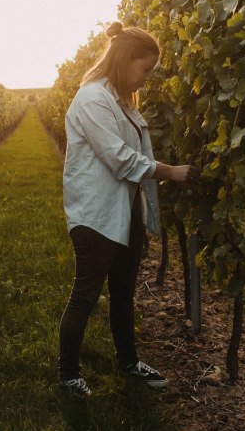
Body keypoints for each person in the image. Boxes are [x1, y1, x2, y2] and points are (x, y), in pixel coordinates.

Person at [57, 21, 199, 397]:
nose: (147, 78)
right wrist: (170, 172)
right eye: (145, 69)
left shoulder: (119, 101)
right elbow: (121, 160)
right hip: (96, 215)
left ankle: (128, 361)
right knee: (86, 294)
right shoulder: (92, 99)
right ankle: (69, 375)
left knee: (123, 292)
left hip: (125, 212)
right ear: (125, 60)